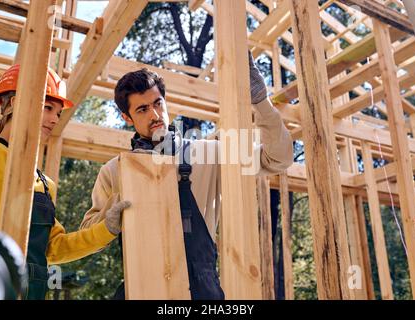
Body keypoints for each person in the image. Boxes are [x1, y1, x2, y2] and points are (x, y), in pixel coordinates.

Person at [80, 54, 293, 299]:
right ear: (127, 118)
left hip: (201, 291)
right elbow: (89, 233)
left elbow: (278, 159)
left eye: (158, 103)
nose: (155, 115)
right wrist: (111, 218)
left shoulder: (207, 153)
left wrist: (261, 102)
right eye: (142, 109)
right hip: (142, 288)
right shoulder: (114, 171)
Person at [0, 64, 130, 300]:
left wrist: (107, 229)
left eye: (58, 113)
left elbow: (53, 248)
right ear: (13, 104)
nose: (54, 120)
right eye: (47, 108)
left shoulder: (43, 182)